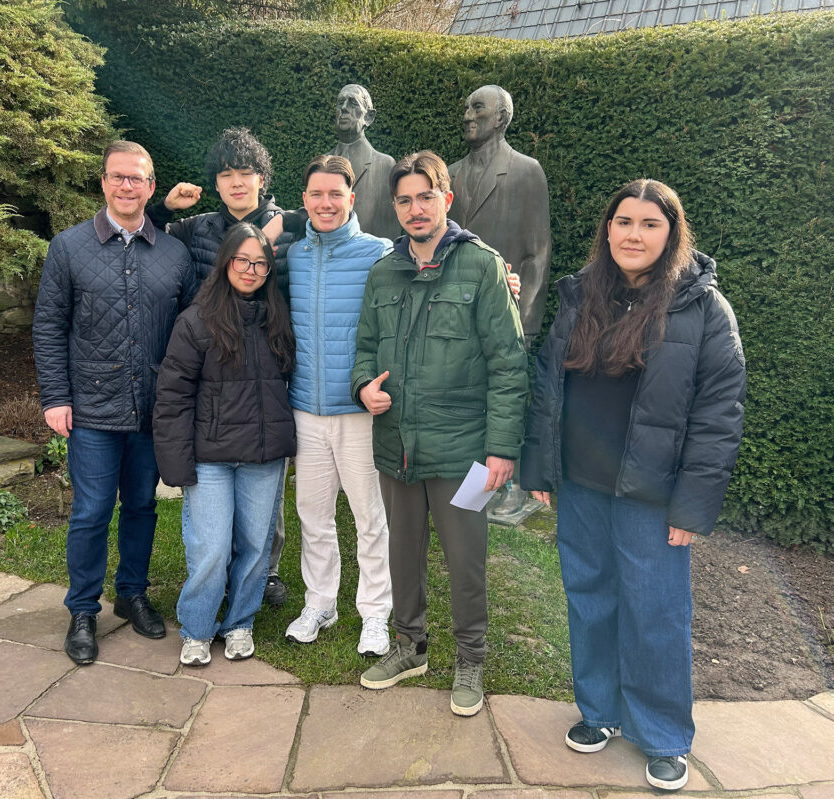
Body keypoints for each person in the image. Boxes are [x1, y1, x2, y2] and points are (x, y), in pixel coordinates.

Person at [520, 179, 746, 790]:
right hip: (583, 485)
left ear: (671, 234)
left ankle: (663, 734)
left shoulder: (702, 309)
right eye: (624, 222)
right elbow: (547, 384)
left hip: (652, 495)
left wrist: (693, 506)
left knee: (656, 613)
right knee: (589, 598)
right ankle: (600, 712)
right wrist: (540, 467)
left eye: (650, 224)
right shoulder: (579, 296)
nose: (634, 234)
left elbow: (719, 414)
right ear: (608, 229)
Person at [352, 150, 529, 716]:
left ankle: (470, 658)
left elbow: (508, 362)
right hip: (397, 448)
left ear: (446, 200)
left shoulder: (482, 266)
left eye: (425, 197)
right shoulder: (383, 272)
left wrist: (502, 449)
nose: (414, 209)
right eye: (403, 200)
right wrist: (363, 389)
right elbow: (363, 350)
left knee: (466, 557)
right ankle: (410, 646)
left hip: (469, 455)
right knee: (403, 552)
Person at [33, 140, 198, 665]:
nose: (127, 186)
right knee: (90, 512)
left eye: (137, 178)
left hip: (153, 411)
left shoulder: (173, 254)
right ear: (103, 183)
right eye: (117, 177)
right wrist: (55, 397)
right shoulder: (68, 247)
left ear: (152, 188)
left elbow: (190, 328)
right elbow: (49, 326)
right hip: (92, 411)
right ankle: (83, 609)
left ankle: (131, 594)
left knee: (143, 506)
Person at [150, 126, 293, 607]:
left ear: (261, 177)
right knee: (216, 486)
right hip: (211, 366)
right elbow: (142, 237)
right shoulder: (197, 228)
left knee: (264, 478)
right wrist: (164, 208)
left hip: (267, 365)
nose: (236, 182)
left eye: (245, 173)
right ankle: (218, 575)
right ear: (216, 183)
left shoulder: (288, 224)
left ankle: (263, 572)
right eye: (226, 174)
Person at [153, 223, 297, 666]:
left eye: (260, 263)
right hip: (211, 457)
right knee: (211, 548)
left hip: (263, 455)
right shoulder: (196, 320)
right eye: (243, 261)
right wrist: (176, 465)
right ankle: (197, 628)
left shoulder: (277, 317)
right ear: (226, 263)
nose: (251, 270)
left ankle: (239, 622)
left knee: (255, 548)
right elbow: (172, 396)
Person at [281, 154, 395, 657]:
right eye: (316, 194)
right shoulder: (294, 253)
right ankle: (320, 602)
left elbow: (436, 258)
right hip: (304, 409)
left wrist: (501, 270)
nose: (325, 203)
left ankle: (375, 613)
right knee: (313, 514)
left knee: (369, 517)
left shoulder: (379, 252)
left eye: (336, 194)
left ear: (352, 198)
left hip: (357, 412)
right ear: (303, 199)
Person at [448, 85, 551, 347]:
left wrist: (525, 326)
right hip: (448, 322)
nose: (468, 116)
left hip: (502, 321)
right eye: (466, 108)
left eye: (478, 107)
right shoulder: (448, 174)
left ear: (501, 118)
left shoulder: (527, 171)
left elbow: (538, 254)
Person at [327, 84, 400, 240]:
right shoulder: (321, 164)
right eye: (340, 103)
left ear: (369, 117)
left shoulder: (384, 165)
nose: (344, 108)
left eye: (353, 103)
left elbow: (389, 229)